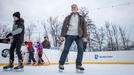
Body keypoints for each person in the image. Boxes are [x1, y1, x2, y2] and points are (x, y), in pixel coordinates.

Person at [59, 4, 88, 72]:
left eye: (75, 7)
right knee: (66, 49)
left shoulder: (81, 17)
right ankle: (61, 64)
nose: (73, 8)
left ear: (77, 8)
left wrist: (85, 37)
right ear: (71, 9)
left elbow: (85, 28)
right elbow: (64, 27)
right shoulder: (68, 17)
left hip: (79, 36)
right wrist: (62, 36)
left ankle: (78, 65)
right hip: (69, 35)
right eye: (72, 7)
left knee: (81, 49)